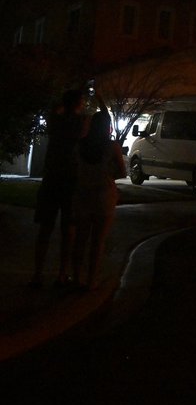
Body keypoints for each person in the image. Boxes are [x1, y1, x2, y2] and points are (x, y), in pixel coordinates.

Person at [30, 89, 87, 288]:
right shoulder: (80, 124)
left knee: (46, 228)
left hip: (52, 179)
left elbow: (53, 109)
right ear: (78, 103)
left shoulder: (56, 122)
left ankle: (38, 274)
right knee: (68, 230)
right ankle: (62, 274)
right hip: (70, 180)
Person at [72, 109, 126, 290]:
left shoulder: (80, 145)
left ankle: (76, 276)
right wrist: (107, 174)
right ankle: (91, 280)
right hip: (103, 194)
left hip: (82, 194)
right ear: (107, 126)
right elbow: (122, 172)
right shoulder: (111, 147)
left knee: (81, 239)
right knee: (97, 241)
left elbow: (74, 168)